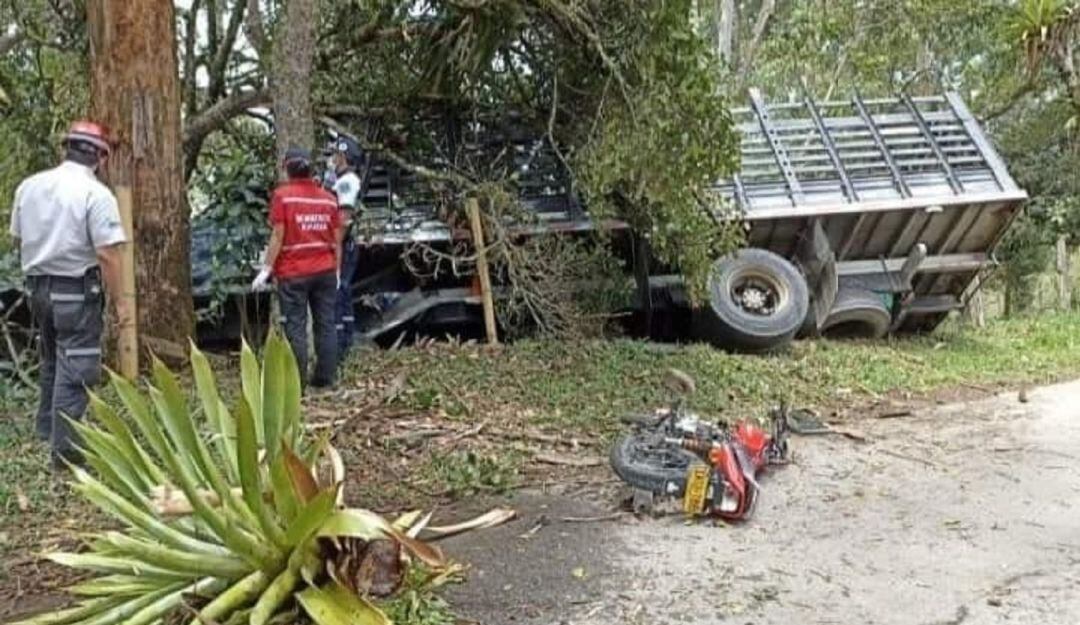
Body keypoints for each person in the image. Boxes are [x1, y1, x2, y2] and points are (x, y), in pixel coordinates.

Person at [9, 121, 131, 469]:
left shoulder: (29, 186)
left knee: (53, 359)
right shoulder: (97, 195)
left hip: (38, 288)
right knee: (77, 368)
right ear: (101, 158)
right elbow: (108, 254)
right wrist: (121, 301)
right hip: (75, 290)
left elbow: (18, 237)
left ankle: (47, 429)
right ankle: (66, 454)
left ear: (66, 149)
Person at [252, 147, 342, 389]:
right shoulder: (329, 199)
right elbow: (337, 239)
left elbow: (278, 235)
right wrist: (337, 270)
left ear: (286, 168)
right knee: (326, 324)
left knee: (295, 327)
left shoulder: (283, 197)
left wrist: (266, 269)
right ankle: (325, 379)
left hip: (294, 274)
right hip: (325, 271)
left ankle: (297, 385)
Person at [325, 136, 363, 358]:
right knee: (343, 292)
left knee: (338, 292)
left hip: (342, 246)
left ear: (344, 157)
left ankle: (340, 347)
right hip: (340, 244)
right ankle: (345, 343)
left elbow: (343, 222)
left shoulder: (348, 181)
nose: (332, 159)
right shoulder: (340, 180)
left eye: (336, 155)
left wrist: (334, 250)